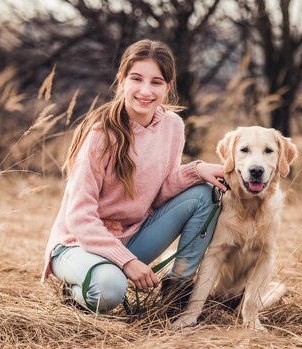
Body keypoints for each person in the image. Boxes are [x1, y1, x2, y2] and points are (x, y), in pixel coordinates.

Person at [41, 39, 227, 313]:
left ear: (168, 86)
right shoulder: (101, 134)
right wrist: (127, 262)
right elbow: (79, 217)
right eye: (136, 79)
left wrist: (197, 170)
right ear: (121, 80)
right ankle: (78, 288)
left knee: (204, 195)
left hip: (131, 237)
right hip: (78, 245)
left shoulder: (173, 126)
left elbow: (161, 193)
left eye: (156, 82)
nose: (145, 90)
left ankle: (177, 291)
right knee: (110, 289)